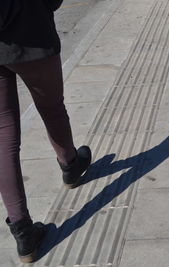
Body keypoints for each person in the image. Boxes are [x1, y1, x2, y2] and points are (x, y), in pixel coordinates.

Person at [0, 0, 91, 263]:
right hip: (32, 36)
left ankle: (22, 231)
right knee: (52, 108)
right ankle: (71, 165)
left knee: (4, 136)